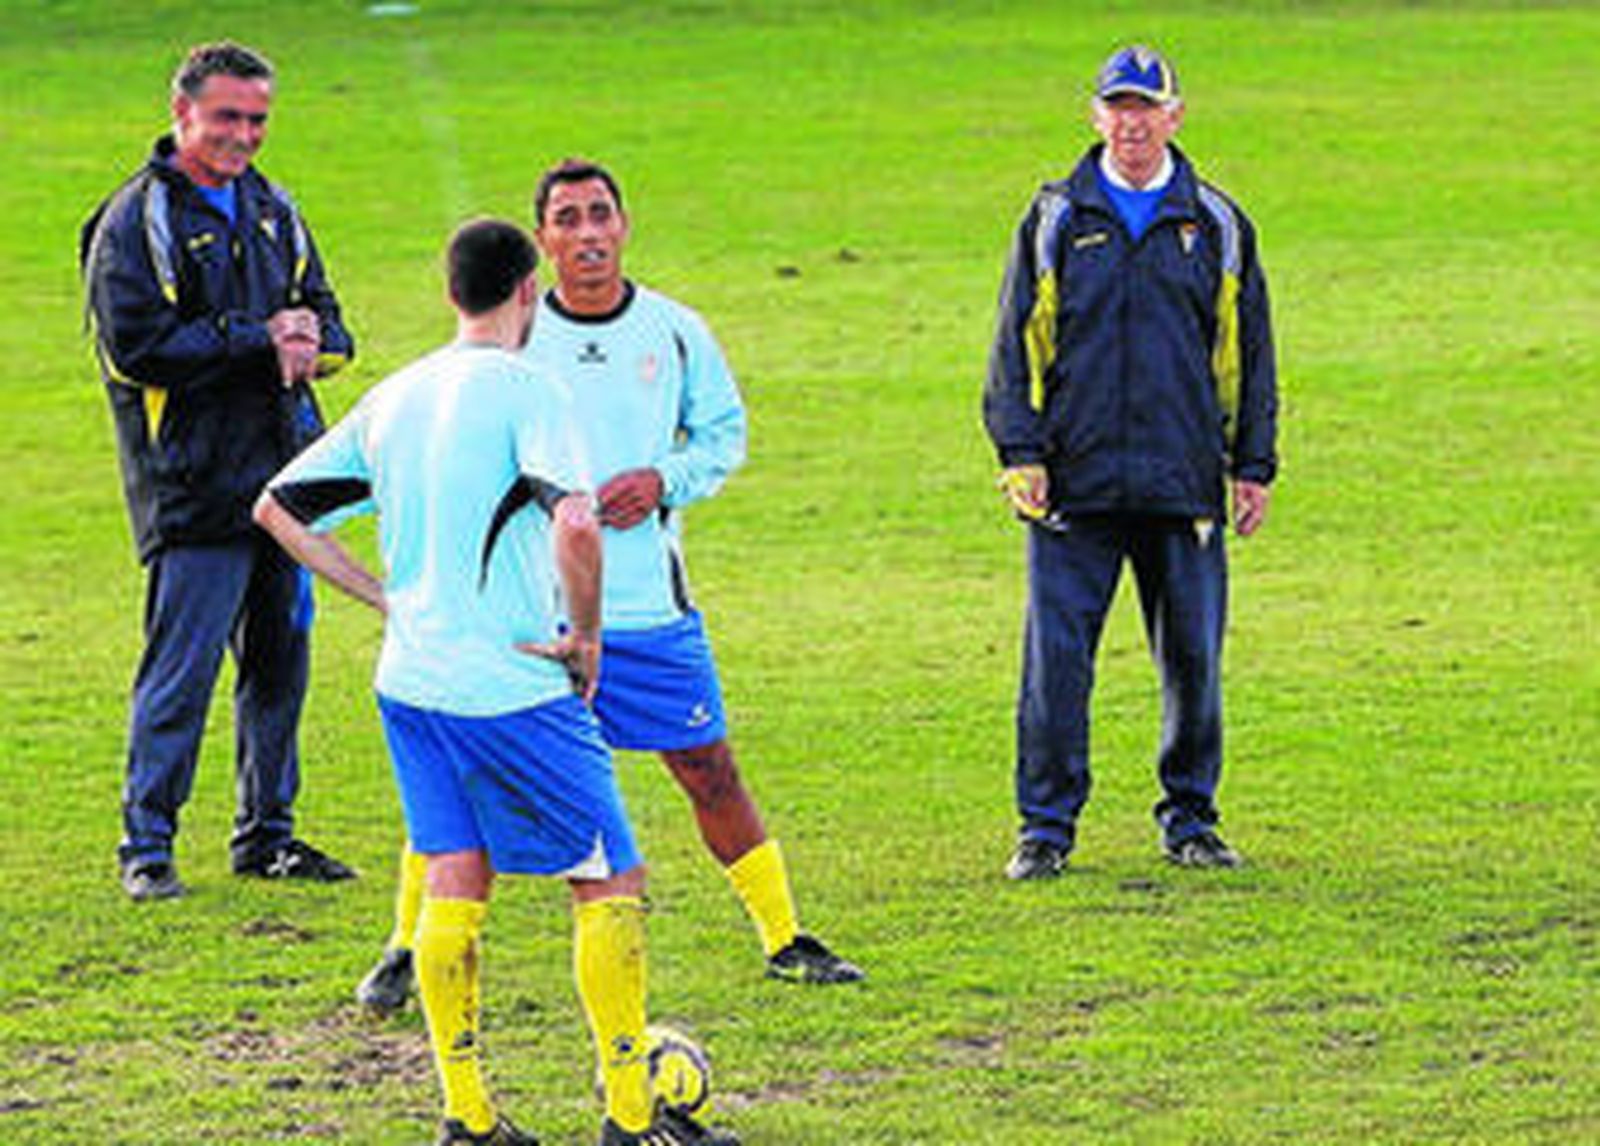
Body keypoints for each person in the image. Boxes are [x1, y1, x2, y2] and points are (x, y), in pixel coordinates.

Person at [255, 219, 740, 1146]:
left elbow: (276, 507)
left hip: (413, 684)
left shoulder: (398, 394)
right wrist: (586, 637)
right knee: (608, 877)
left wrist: (384, 597)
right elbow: (578, 522)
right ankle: (631, 1119)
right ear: (526, 291)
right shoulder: (531, 391)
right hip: (514, 687)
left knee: (454, 874)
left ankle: (469, 1120)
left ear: (452, 294)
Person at [353, 159, 862, 1017]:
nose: (587, 233)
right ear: (542, 243)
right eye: (568, 219)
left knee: (709, 768)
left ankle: (785, 937)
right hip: (530, 618)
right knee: (461, 783)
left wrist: (666, 480)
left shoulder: (675, 331)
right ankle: (406, 946)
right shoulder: (512, 342)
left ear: (624, 224)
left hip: (647, 609)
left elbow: (723, 436)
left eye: (600, 214)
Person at [983, 45, 1279, 880]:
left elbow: (1249, 353)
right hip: (1073, 483)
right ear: (1096, 116)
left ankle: (1191, 820)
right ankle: (1045, 830)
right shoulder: (1054, 217)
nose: (1133, 123)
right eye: (1119, 107)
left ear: (1175, 117)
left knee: (1193, 660)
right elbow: (1014, 344)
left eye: (1147, 107)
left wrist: (1252, 464)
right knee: (1056, 664)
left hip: (1183, 481)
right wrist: (1021, 452)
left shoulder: (1216, 223)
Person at [80, 41, 355, 901]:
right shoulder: (135, 220)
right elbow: (135, 350)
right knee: (183, 669)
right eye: (227, 117)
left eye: (258, 119)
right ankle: (146, 847)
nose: (244, 134)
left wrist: (312, 341)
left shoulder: (275, 207)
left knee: (281, 661)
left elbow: (332, 326)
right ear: (182, 111)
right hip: (193, 485)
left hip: (284, 481)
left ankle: (267, 837)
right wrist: (259, 339)